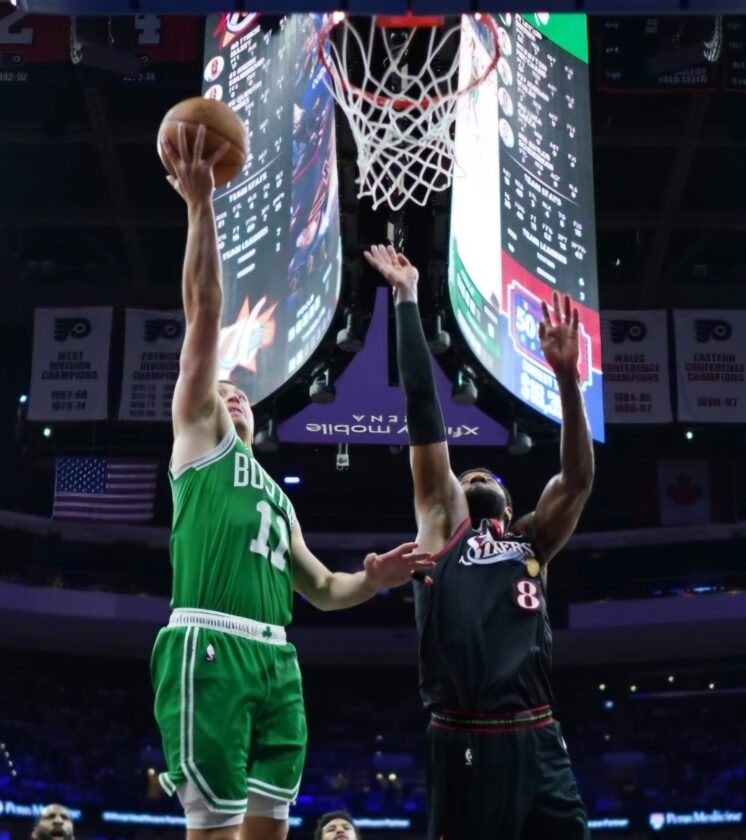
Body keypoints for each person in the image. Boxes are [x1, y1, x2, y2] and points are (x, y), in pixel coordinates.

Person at [151, 128, 433, 840]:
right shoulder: (199, 440)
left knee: (272, 825)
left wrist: (375, 580)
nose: (233, 394)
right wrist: (200, 207)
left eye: (240, 392)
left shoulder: (276, 498)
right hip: (210, 643)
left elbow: (324, 589)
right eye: (222, 390)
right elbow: (203, 310)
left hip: (278, 657)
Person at [364, 243, 594, 839]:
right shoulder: (444, 523)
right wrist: (407, 299)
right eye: (468, 474)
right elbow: (422, 405)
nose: (478, 475)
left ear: (512, 511)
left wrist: (567, 381)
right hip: (464, 737)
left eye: (489, 476)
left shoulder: (533, 542)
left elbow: (576, 480)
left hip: (539, 735)